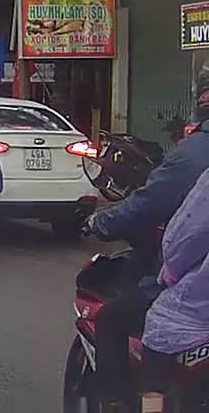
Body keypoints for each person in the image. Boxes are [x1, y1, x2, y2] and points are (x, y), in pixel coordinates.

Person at [89, 84, 209, 409]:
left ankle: (121, 403)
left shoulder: (193, 158)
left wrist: (169, 275)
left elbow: (183, 241)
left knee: (120, 321)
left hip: (197, 304)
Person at [138, 164, 209, 413]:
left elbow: (187, 238)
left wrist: (170, 272)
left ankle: (151, 407)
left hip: (197, 310)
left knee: (156, 353)